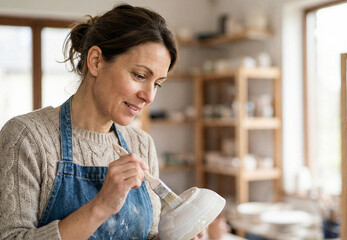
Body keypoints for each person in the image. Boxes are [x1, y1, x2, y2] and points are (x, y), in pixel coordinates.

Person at [0, 4, 204, 240]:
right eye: (139, 76)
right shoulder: (26, 138)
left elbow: (147, 234)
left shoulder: (141, 144)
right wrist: (101, 206)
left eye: (157, 83)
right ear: (96, 61)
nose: (149, 96)